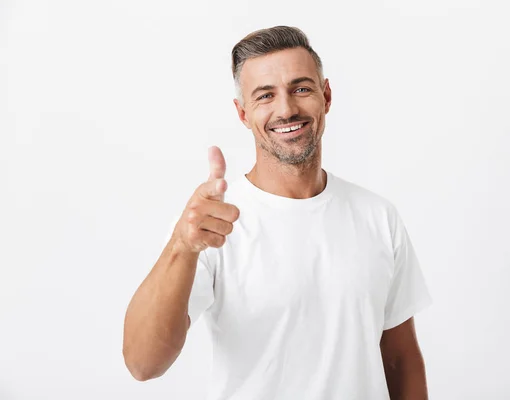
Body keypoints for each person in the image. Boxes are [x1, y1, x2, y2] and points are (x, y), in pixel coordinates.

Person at [123, 25, 433, 399]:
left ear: (327, 95)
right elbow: (143, 364)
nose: (286, 109)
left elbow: (400, 359)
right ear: (242, 112)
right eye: (265, 96)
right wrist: (181, 247)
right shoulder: (211, 225)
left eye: (301, 88)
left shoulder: (378, 217)